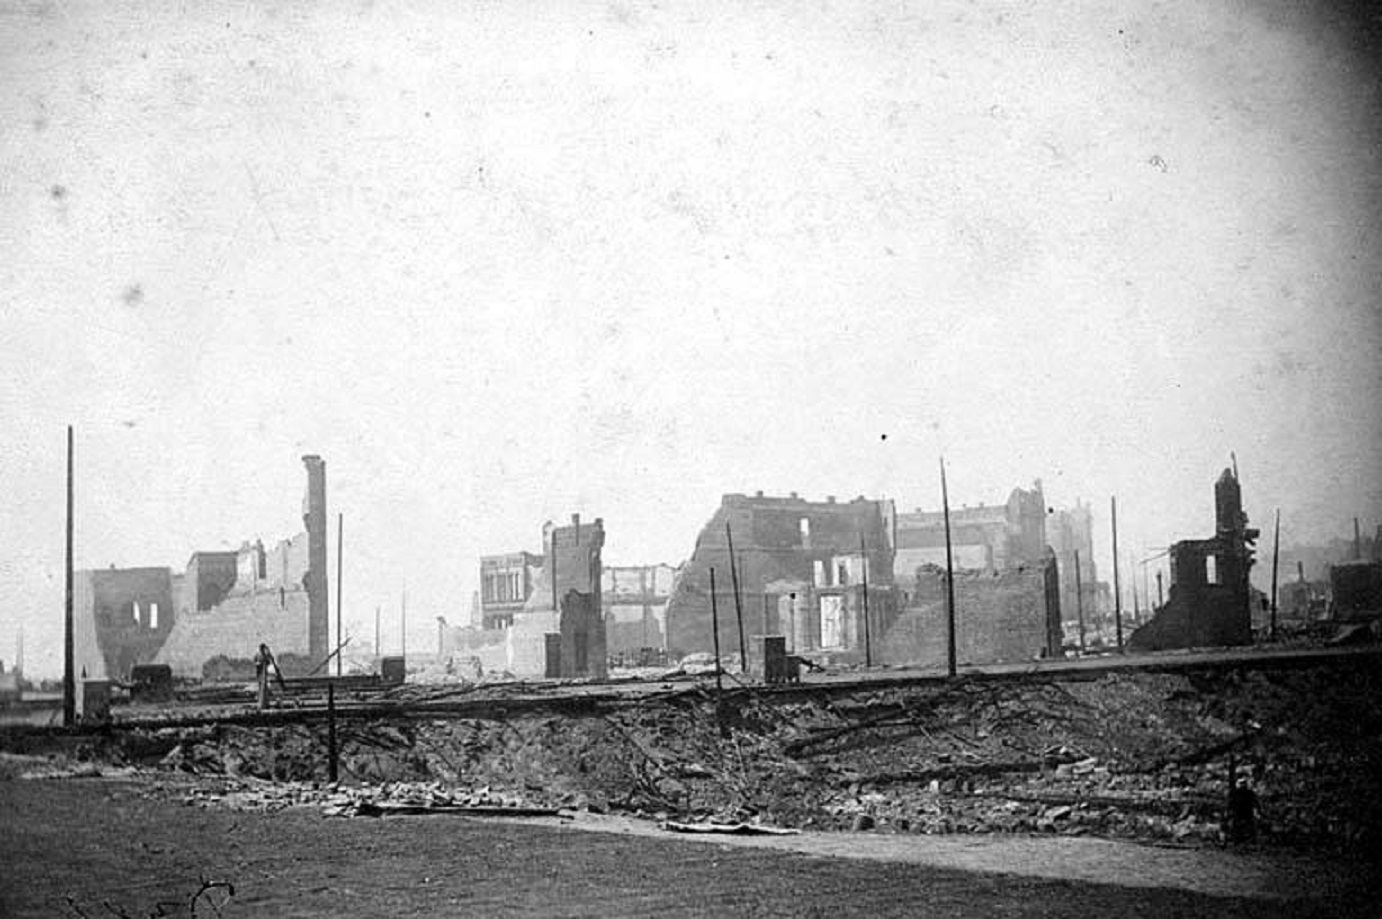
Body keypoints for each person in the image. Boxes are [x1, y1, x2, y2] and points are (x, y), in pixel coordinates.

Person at [253, 643, 275, 711]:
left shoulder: (265, 654)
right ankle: (262, 703)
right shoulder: (258, 654)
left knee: (265, 689)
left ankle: (265, 703)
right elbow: (256, 662)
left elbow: (270, 661)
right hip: (260, 674)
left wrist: (269, 653)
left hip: (265, 674)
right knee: (261, 688)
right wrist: (260, 663)